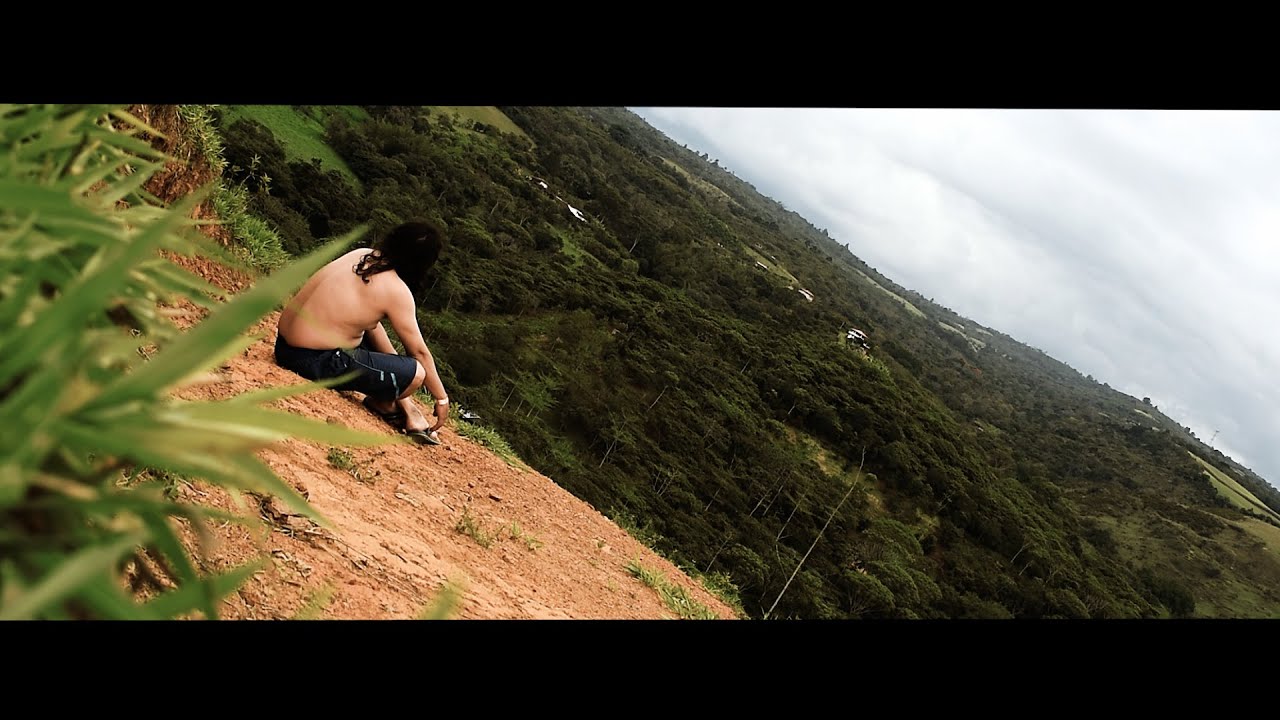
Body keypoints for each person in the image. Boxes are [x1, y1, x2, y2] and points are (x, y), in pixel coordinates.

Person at [274, 221, 450, 445]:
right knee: (415, 373)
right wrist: (441, 398)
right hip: (312, 360)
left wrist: (393, 365)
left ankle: (403, 405)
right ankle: (387, 403)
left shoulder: (362, 255)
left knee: (371, 329)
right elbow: (419, 353)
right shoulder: (396, 291)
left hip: (284, 344)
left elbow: (370, 326)